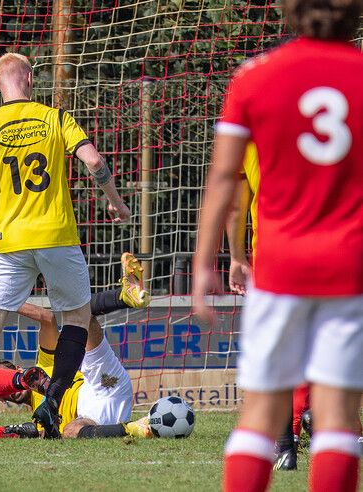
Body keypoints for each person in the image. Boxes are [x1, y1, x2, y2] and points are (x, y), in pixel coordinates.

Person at [193, 1, 363, 491]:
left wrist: (207, 263)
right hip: (348, 270)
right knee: (338, 418)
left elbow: (224, 178)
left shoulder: (255, 76)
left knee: (260, 413)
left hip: (279, 265)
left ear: (290, 12)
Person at [0, 52, 131, 440]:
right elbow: (94, 162)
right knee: (75, 318)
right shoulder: (56, 117)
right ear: (30, 79)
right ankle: (51, 405)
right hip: (57, 237)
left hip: (10, 242)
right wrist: (115, 201)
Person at [0, 251, 153, 439]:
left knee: (82, 312)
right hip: (93, 420)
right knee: (70, 431)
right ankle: (135, 428)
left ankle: (125, 296)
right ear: (2, 399)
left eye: (9, 380)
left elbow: (47, 318)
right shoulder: (39, 419)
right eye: (4, 390)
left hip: (103, 381)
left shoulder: (44, 364)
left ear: (18, 369)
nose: (10, 391)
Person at [225, 142, 309, 470]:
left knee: (280, 346)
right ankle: (337, 427)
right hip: (335, 248)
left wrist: (235, 257)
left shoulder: (253, 128)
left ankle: (286, 443)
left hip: (275, 254)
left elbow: (234, 202)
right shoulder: (342, 110)